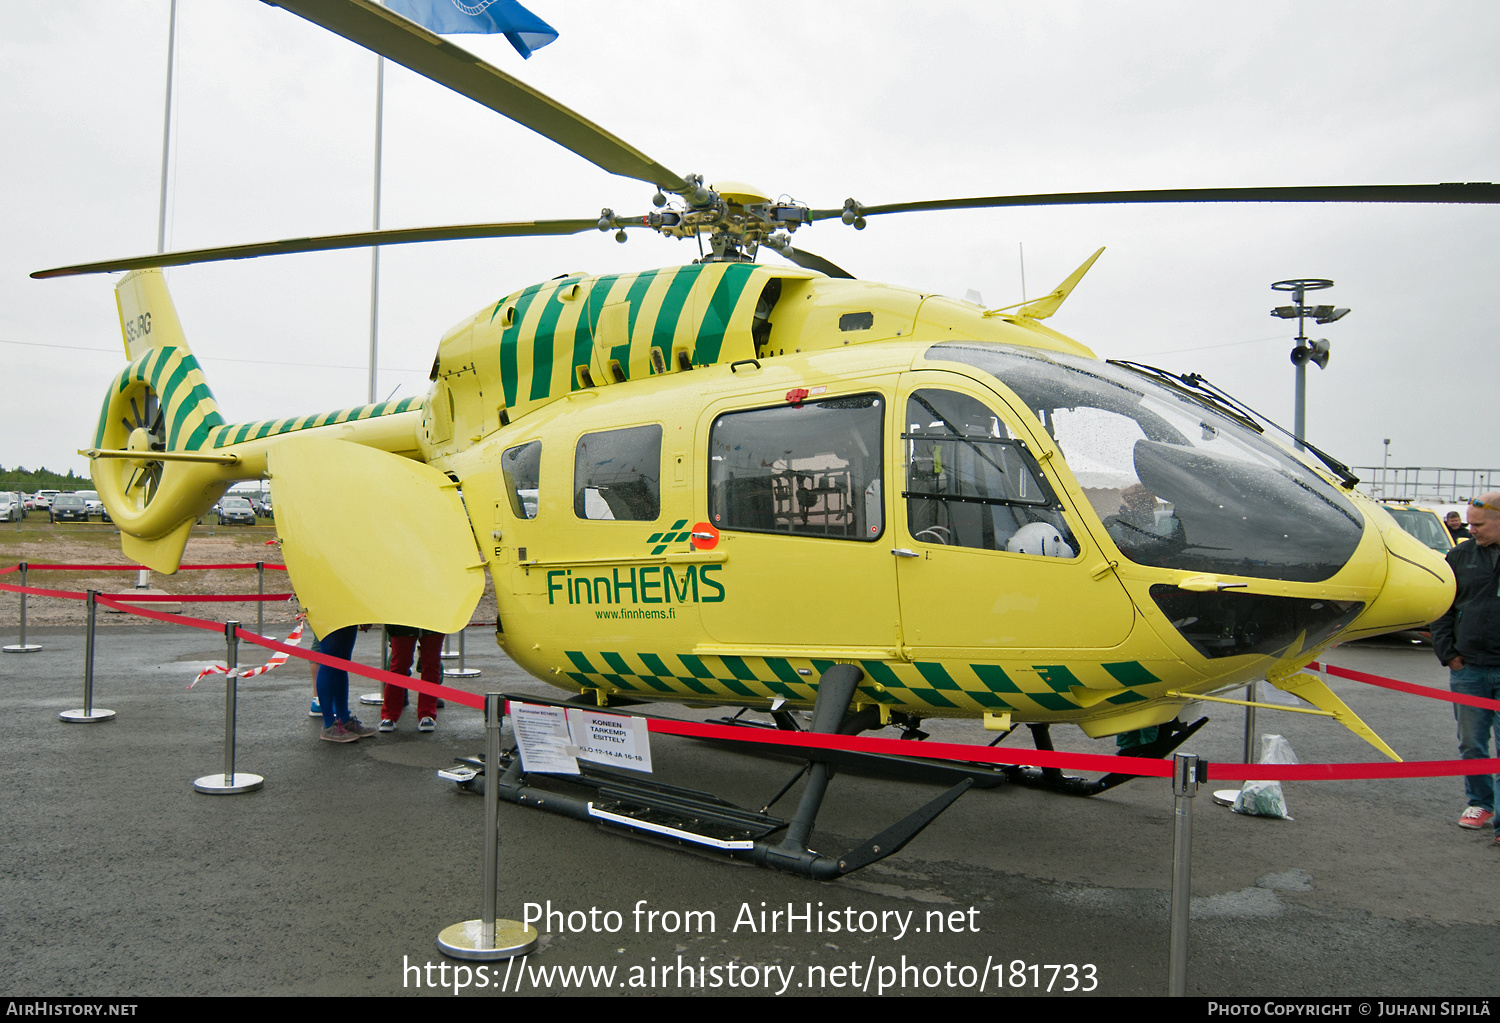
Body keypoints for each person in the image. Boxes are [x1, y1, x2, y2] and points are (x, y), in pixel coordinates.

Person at [1430, 493, 1500, 842]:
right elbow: (1441, 605)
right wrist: (1448, 653)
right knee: (1472, 742)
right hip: (1469, 666)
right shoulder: (1459, 556)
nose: (1471, 530)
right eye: (1470, 523)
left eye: (1479, 524)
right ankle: (1480, 802)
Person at [315, 624, 378, 742]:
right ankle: (329, 725)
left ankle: (343, 719)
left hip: (349, 610)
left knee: (343, 661)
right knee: (329, 659)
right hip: (326, 611)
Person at [380, 626, 442, 733]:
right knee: (399, 665)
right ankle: (389, 714)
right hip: (403, 620)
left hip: (432, 619)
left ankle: (427, 713)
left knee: (431, 665)